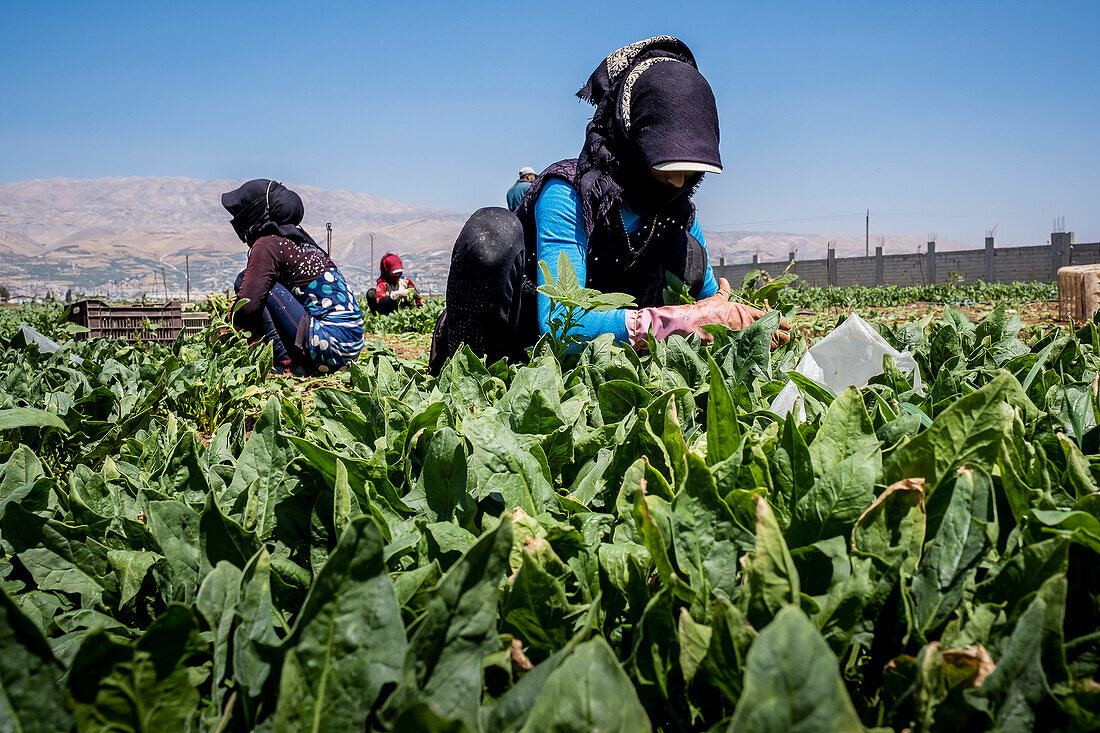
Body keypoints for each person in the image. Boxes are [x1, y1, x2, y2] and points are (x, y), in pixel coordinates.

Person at [430, 37, 790, 372]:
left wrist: (749, 322)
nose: (678, 184)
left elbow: (712, 302)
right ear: (632, 141)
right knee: (492, 235)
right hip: (521, 339)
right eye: (665, 168)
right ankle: (469, 374)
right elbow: (560, 322)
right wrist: (681, 322)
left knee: (688, 248)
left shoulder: (678, 213)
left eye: (691, 172)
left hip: (596, 360)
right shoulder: (569, 194)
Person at [221, 179, 364, 375]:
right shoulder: (300, 241)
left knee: (250, 282)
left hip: (330, 347)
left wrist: (229, 320)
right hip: (350, 349)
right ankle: (294, 358)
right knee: (259, 283)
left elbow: (248, 307)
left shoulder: (269, 244)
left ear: (253, 213)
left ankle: (284, 363)